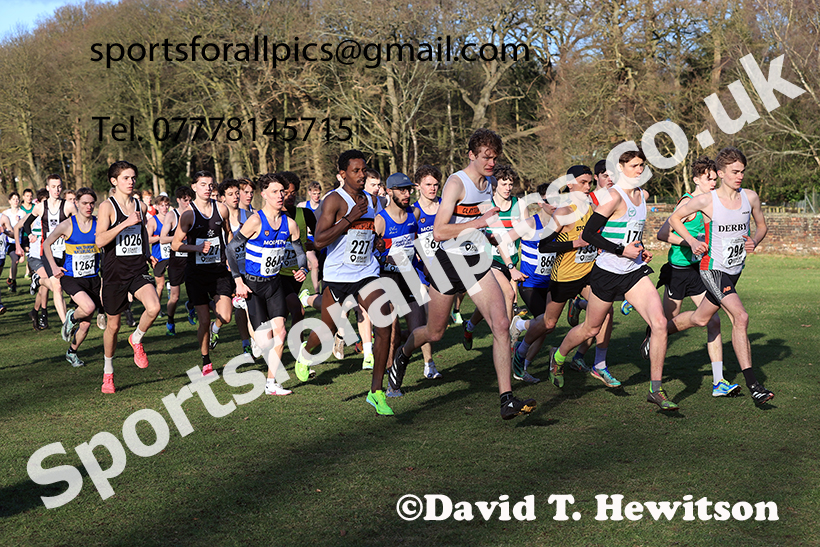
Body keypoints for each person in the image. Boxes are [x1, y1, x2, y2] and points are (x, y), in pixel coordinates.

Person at [393, 128, 537, 420]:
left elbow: (487, 224)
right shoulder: (457, 183)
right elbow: (440, 231)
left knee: (500, 323)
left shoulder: (488, 184)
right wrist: (477, 223)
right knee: (435, 331)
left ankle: (506, 399)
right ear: (471, 155)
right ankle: (403, 354)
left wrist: (500, 241)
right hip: (448, 263)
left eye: (494, 158)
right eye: (485, 157)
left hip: (476, 262)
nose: (490, 163)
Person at [549, 148, 678, 410]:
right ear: (621, 169)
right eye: (633, 166)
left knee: (660, 324)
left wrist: (639, 248)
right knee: (591, 329)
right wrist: (621, 250)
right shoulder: (613, 197)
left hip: (633, 271)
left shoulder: (643, 195)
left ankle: (656, 389)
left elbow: (631, 232)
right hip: (606, 273)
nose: (639, 170)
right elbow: (589, 234)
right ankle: (558, 357)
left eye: (642, 165)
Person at [648, 147, 774, 404]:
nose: (739, 176)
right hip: (712, 269)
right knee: (741, 316)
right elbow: (674, 220)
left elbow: (761, 225)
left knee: (701, 319)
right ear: (721, 172)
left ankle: (658, 333)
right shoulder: (707, 201)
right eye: (734, 172)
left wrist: (754, 240)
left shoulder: (750, 197)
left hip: (735, 269)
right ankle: (754, 385)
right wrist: (692, 242)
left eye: (742, 172)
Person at [293, 150, 395, 416]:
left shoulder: (373, 200)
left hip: (366, 272)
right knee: (326, 330)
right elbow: (319, 240)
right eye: (355, 171)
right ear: (342, 174)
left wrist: (376, 242)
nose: (361, 175)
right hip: (338, 275)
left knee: (384, 324)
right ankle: (306, 354)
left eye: (364, 170)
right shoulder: (333, 200)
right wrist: (350, 218)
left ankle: (376, 392)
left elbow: (367, 232)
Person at [513, 165, 616, 387]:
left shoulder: (593, 209)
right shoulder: (563, 212)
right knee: (548, 324)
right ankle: (520, 352)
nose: (587, 187)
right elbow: (544, 245)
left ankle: (600, 365)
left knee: (606, 311)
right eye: (583, 182)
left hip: (589, 274)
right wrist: (575, 243)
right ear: (569, 184)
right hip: (564, 277)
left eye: (590, 183)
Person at [652, 157, 738, 397]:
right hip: (678, 272)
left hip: (699, 271)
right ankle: (652, 340)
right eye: (708, 178)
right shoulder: (688, 204)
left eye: (714, 178)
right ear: (697, 179)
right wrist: (689, 242)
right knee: (664, 325)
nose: (713, 182)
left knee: (713, 320)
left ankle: (719, 382)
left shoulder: (713, 203)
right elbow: (662, 234)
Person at [229, 173, 308, 395]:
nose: (280, 196)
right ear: (263, 194)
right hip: (252, 285)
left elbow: (300, 252)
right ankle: (245, 308)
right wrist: (238, 280)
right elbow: (232, 248)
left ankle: (271, 383)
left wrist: (302, 268)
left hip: (274, 284)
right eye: (274, 191)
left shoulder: (290, 224)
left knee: (281, 333)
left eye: (282, 191)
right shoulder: (255, 221)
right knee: (265, 343)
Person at [95, 161, 161, 393]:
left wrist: (147, 253)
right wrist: (124, 223)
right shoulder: (107, 207)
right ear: (114, 181)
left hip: (137, 269)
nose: (131, 182)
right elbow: (99, 241)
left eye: (133, 177)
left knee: (153, 307)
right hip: (114, 273)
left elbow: (141, 231)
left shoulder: (140, 206)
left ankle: (136, 339)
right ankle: (108, 373)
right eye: (126, 178)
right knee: (113, 326)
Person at [171, 170, 233, 376]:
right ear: (194, 187)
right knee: (203, 321)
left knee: (225, 316)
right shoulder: (188, 215)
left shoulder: (222, 209)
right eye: (203, 184)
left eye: (210, 184)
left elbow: (228, 233)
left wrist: (231, 256)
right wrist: (196, 248)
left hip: (218, 271)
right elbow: (175, 245)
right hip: (196, 274)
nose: (208, 188)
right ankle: (206, 359)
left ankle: (216, 331)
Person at [462, 164, 527, 351]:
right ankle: (507, 341)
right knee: (508, 293)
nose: (507, 187)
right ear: (494, 185)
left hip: (512, 261)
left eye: (510, 184)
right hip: (490, 260)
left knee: (491, 301)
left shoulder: (520, 205)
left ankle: (470, 326)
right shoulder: (485, 206)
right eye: (503, 183)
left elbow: (526, 234)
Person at [374, 172, 424, 397]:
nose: (407, 194)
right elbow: (369, 253)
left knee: (419, 330)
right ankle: (391, 384)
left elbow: (417, 243)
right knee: (391, 335)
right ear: (389, 191)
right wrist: (385, 257)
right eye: (402, 190)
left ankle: (398, 363)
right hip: (388, 279)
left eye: (409, 190)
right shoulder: (380, 220)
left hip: (411, 276)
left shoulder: (414, 213)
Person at [44, 188, 102, 367]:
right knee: (89, 307)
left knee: (85, 325)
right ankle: (71, 318)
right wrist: (54, 267)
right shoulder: (67, 225)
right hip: (71, 277)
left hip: (93, 277)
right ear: (76, 203)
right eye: (84, 203)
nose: (89, 207)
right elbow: (47, 244)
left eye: (92, 203)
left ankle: (72, 352)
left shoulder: (99, 224)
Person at [14, 174, 75, 326]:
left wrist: (70, 234)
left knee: (66, 284)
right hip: (48, 253)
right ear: (48, 188)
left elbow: (78, 224)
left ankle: (39, 280)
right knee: (58, 286)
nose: (57, 189)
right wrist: (31, 235)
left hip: (66, 252)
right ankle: (66, 325)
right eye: (53, 187)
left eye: (59, 186)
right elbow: (27, 224)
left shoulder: (68, 205)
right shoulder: (41, 207)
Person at [411, 164, 442, 379]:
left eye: (436, 184)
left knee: (439, 323)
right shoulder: (413, 211)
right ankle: (428, 363)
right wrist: (420, 253)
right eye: (428, 184)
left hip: (444, 267)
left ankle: (404, 340)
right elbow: (410, 238)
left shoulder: (444, 206)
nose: (432, 188)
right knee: (425, 313)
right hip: (419, 269)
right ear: (418, 186)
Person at [219, 178, 254, 355]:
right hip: (226, 270)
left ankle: (252, 341)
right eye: (230, 194)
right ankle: (245, 341)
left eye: (236, 193)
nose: (235, 197)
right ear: (222, 198)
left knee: (248, 304)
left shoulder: (249, 217)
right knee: (235, 309)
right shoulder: (218, 218)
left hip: (247, 267)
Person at [160, 185, 195, 335]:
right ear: (179, 200)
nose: (188, 203)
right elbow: (162, 238)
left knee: (196, 291)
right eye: (185, 200)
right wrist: (178, 237)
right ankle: (170, 320)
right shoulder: (172, 215)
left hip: (192, 259)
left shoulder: (195, 214)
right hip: (176, 261)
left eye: (190, 200)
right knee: (174, 296)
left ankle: (191, 306)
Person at [297, 181, 322, 295]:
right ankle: (316, 293)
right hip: (308, 240)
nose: (316, 196)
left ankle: (324, 292)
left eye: (318, 193)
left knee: (321, 266)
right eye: (314, 193)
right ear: (309, 193)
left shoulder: (323, 205)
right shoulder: (302, 206)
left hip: (321, 240)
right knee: (315, 263)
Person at [147, 194, 171, 308]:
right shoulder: (153, 221)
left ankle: (173, 304)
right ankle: (157, 307)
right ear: (156, 207)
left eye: (167, 205)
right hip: (158, 257)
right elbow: (148, 239)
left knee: (175, 282)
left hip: (172, 255)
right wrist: (161, 238)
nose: (165, 208)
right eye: (162, 206)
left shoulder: (173, 218)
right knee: (160, 286)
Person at [3, 191, 25, 292]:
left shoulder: (22, 213)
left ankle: (11, 279)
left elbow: (26, 227)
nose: (16, 201)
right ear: (9, 201)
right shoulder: (5, 213)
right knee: (15, 260)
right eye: (13, 199)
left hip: (19, 241)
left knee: (16, 261)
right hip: (9, 241)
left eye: (17, 199)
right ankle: (12, 281)